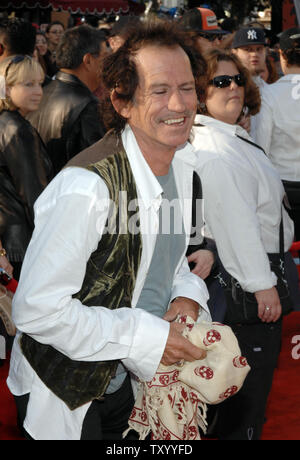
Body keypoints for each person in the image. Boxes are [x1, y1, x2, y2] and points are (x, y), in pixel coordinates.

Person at [7, 19, 211, 441]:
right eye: (159, 90)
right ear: (121, 101)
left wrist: (188, 294)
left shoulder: (185, 168)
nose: (179, 103)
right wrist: (146, 335)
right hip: (69, 394)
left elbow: (164, 261)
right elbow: (38, 310)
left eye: (187, 87)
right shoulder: (87, 187)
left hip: (132, 388)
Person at [185, 48, 296, 440]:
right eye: (220, 82)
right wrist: (260, 283)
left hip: (252, 271)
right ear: (200, 93)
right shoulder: (217, 149)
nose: (232, 87)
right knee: (243, 402)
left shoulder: (227, 138)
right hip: (245, 285)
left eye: (236, 80)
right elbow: (237, 223)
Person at [0, 55, 52, 366]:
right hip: (22, 246)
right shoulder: (17, 130)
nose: (38, 91)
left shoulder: (11, 124)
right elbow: (38, 197)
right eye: (27, 84)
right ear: (6, 88)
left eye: (40, 83)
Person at [28, 25, 107, 176]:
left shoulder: (41, 92)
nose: (106, 65)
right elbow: (96, 169)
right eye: (104, 57)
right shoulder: (88, 106)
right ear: (88, 60)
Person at [255, 27, 300, 241]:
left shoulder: (269, 95)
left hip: (284, 191)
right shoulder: (268, 95)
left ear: (281, 55)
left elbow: (260, 149)